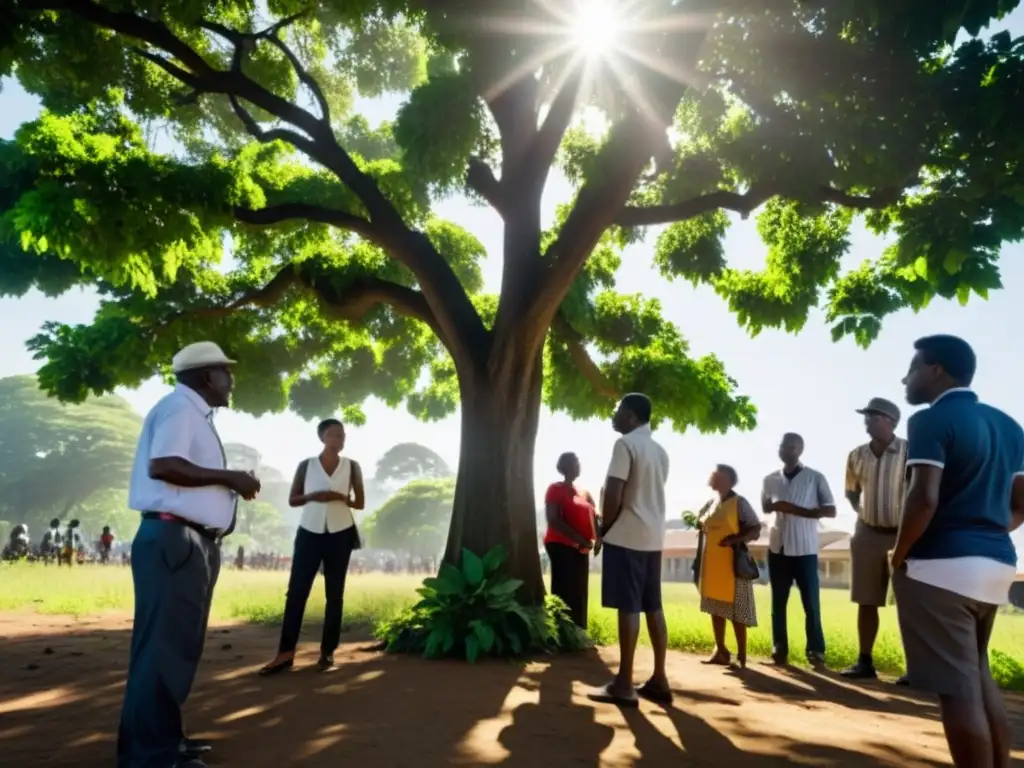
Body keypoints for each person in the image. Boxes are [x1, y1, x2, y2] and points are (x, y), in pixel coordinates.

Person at [117, 341, 261, 768]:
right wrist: (230, 477)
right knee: (163, 650)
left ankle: (163, 740)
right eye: (225, 372)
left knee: (173, 648)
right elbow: (164, 465)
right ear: (205, 377)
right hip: (174, 538)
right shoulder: (180, 410)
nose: (231, 380)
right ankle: (151, 756)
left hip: (185, 540)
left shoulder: (191, 412)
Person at [891, 335, 1024, 768]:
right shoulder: (1008, 425)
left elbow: (923, 499)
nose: (905, 378)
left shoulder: (929, 420)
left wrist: (899, 554)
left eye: (912, 368)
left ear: (936, 370)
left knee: (957, 692)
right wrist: (982, 532)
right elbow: (1021, 504)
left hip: (940, 571)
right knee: (978, 678)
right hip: (996, 565)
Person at [259, 418, 365, 676]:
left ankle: (327, 653)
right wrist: (312, 496)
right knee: (296, 592)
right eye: (334, 435)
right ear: (322, 437)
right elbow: (293, 499)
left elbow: (359, 503)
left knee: (335, 594)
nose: (339, 440)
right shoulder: (306, 465)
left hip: (340, 533)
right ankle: (285, 654)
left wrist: (341, 498)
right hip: (309, 532)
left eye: (342, 436)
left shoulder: (352, 466)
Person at [588, 393, 671, 708]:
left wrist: (603, 530)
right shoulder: (660, 452)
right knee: (653, 606)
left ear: (632, 417)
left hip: (627, 535)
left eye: (618, 410)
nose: (614, 414)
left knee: (629, 606)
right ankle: (659, 679)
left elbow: (614, 493)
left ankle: (623, 683)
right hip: (653, 538)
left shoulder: (624, 445)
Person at [840, 398, 910, 684]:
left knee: (910, 603)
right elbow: (851, 492)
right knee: (866, 600)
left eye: (872, 416)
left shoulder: (910, 451)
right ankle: (864, 661)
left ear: (890, 421)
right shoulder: (856, 455)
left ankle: (916, 668)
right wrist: (865, 516)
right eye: (866, 417)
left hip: (904, 535)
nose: (867, 421)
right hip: (868, 533)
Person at [761, 433, 836, 666]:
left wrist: (793, 509)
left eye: (792, 447)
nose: (786, 450)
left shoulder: (815, 478)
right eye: (783, 446)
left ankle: (816, 650)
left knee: (810, 603)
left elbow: (830, 510)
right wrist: (775, 507)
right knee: (778, 601)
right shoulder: (770, 479)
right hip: (778, 547)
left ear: (800, 450)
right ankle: (779, 647)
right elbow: (765, 506)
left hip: (805, 548)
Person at [696, 464, 760, 669]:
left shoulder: (739, 502)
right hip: (713, 564)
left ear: (727, 479)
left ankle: (742, 656)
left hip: (733, 565)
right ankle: (720, 650)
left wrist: (735, 539)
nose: (711, 476)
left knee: (737, 612)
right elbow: (702, 523)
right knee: (716, 609)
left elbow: (755, 528)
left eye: (715, 474)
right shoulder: (711, 503)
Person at [543, 452, 599, 629]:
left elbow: (595, 517)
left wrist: (596, 539)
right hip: (560, 545)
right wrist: (579, 538)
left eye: (578, 462)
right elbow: (553, 519)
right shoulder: (555, 489)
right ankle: (562, 632)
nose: (578, 465)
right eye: (573, 462)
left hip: (581, 548)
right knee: (564, 590)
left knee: (580, 590)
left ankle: (579, 631)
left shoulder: (583, 492)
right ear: (564, 466)